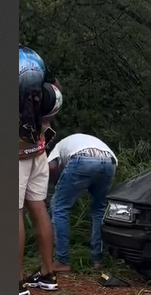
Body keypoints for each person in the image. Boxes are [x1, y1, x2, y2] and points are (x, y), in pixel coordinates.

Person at [19, 44, 62, 295]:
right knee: (38, 209)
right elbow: (55, 93)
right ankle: (48, 274)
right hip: (38, 148)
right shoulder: (33, 56)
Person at [47, 133, 118, 272]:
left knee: (59, 207)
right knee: (99, 209)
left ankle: (62, 261)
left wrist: (56, 187)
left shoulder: (57, 148)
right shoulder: (78, 140)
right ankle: (98, 260)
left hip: (82, 159)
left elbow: (52, 167)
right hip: (110, 161)